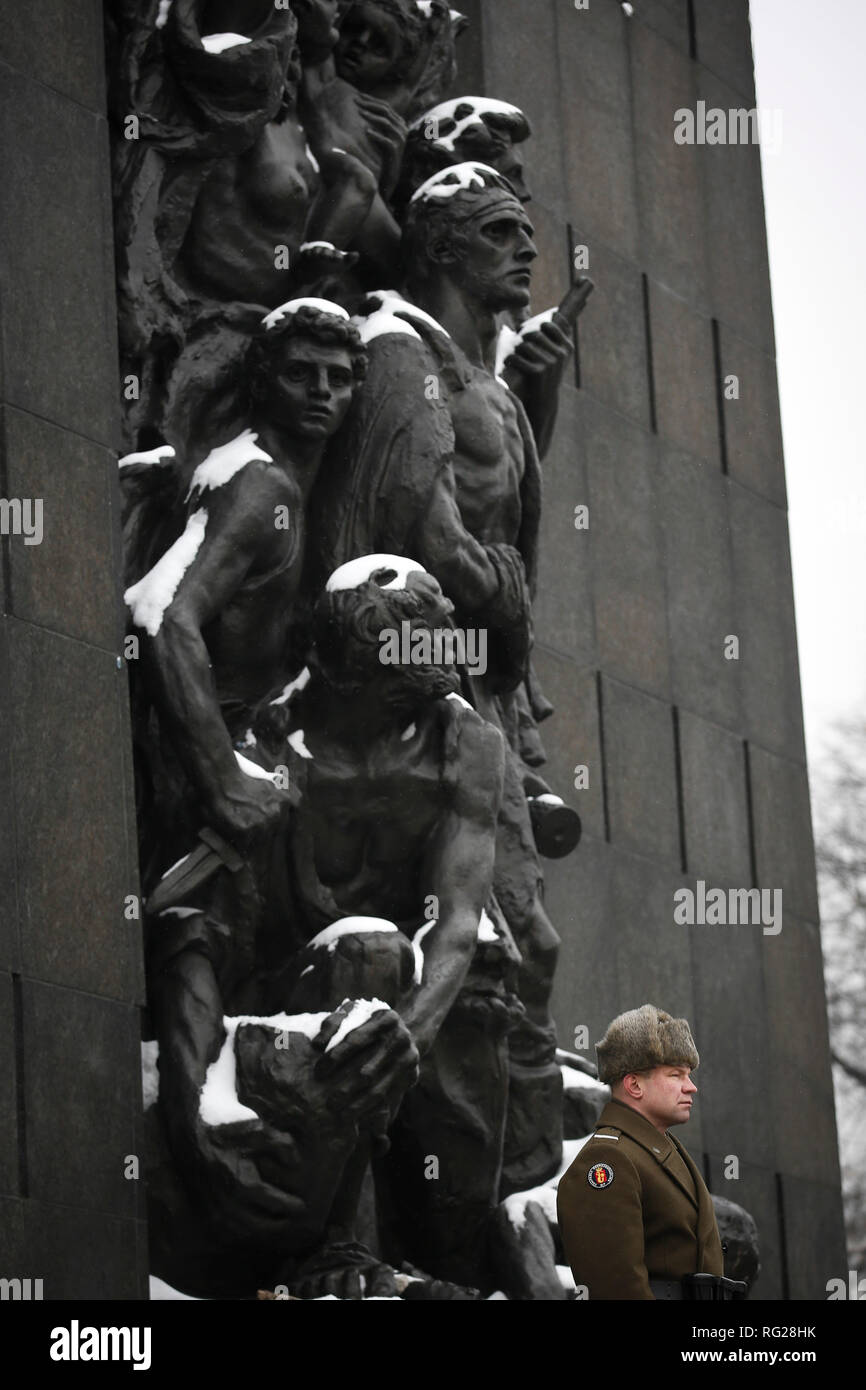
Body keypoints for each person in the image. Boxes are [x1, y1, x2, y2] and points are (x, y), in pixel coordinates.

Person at [557, 1004, 729, 1301]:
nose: (691, 1088)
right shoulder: (606, 1159)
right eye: (676, 1075)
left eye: (688, 1075)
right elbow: (614, 1288)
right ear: (634, 1085)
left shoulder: (658, 1150)